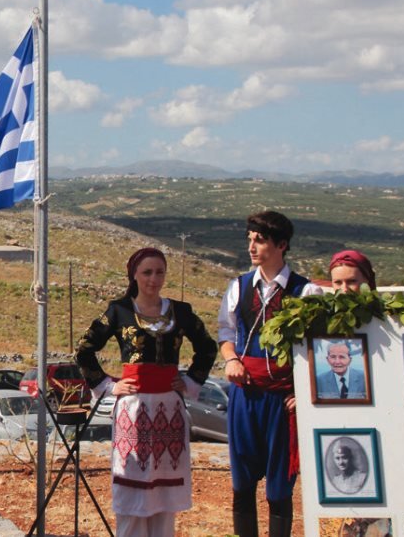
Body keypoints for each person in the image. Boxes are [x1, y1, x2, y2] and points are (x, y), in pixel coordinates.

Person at [75, 247, 217, 537]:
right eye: (147, 272)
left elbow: (207, 347)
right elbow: (84, 350)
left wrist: (190, 381)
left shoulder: (182, 311)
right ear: (134, 276)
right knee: (132, 487)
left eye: (159, 272)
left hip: (169, 409)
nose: (154, 279)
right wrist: (109, 385)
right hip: (134, 409)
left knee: (165, 495)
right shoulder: (119, 310)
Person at [217, 210, 321, 537]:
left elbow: (315, 350)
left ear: (281, 244)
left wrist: (302, 393)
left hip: (282, 398)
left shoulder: (307, 293)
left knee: (279, 485)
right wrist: (232, 360)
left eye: (259, 240)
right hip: (245, 393)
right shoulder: (239, 286)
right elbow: (226, 332)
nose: (252, 247)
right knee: (242, 479)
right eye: (250, 239)